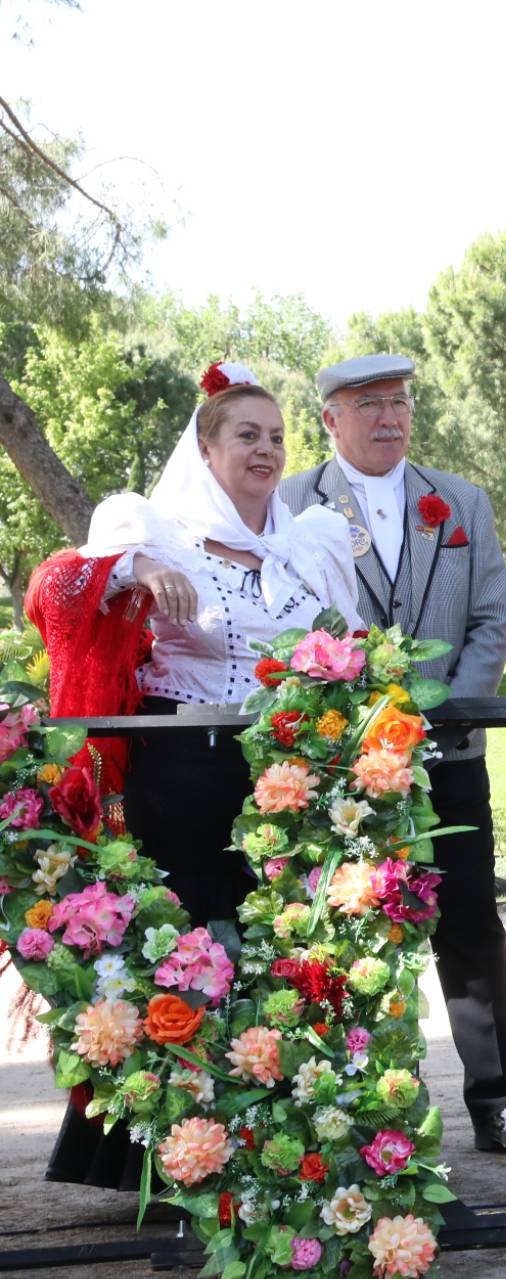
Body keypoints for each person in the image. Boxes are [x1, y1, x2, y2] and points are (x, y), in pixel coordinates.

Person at [30, 361, 360, 1186]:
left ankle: (264, 1142)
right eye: (246, 434)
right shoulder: (155, 530)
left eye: (278, 436)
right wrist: (135, 571)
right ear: (206, 449)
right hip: (178, 768)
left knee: (268, 949)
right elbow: (54, 591)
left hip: (280, 776)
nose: (267, 449)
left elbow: (351, 650)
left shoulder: (306, 544)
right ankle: (151, 1153)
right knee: (176, 949)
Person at [279, 353, 506, 1154]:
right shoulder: (291, 502)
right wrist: (357, 722)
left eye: (398, 401)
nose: (389, 417)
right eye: (368, 405)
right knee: (342, 936)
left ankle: (501, 1104)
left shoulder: (460, 501)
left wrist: (444, 716)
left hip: (450, 752)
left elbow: (491, 618)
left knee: (471, 925)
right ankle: (351, 1111)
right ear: (330, 419)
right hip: (339, 761)